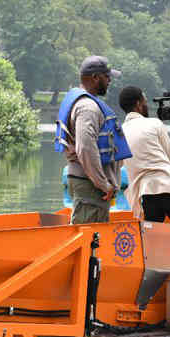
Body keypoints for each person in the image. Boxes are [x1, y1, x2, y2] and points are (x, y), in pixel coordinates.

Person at [56, 56, 129, 223]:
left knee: (94, 237)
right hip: (90, 184)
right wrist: (103, 184)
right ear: (95, 77)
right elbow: (85, 148)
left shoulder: (84, 103)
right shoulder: (88, 108)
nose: (110, 80)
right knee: (91, 238)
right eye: (106, 76)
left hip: (88, 182)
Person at [118, 85, 170, 223]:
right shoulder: (154, 123)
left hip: (147, 194)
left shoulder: (120, 133)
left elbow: (119, 163)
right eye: (144, 102)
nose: (146, 106)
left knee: (154, 241)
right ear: (138, 104)